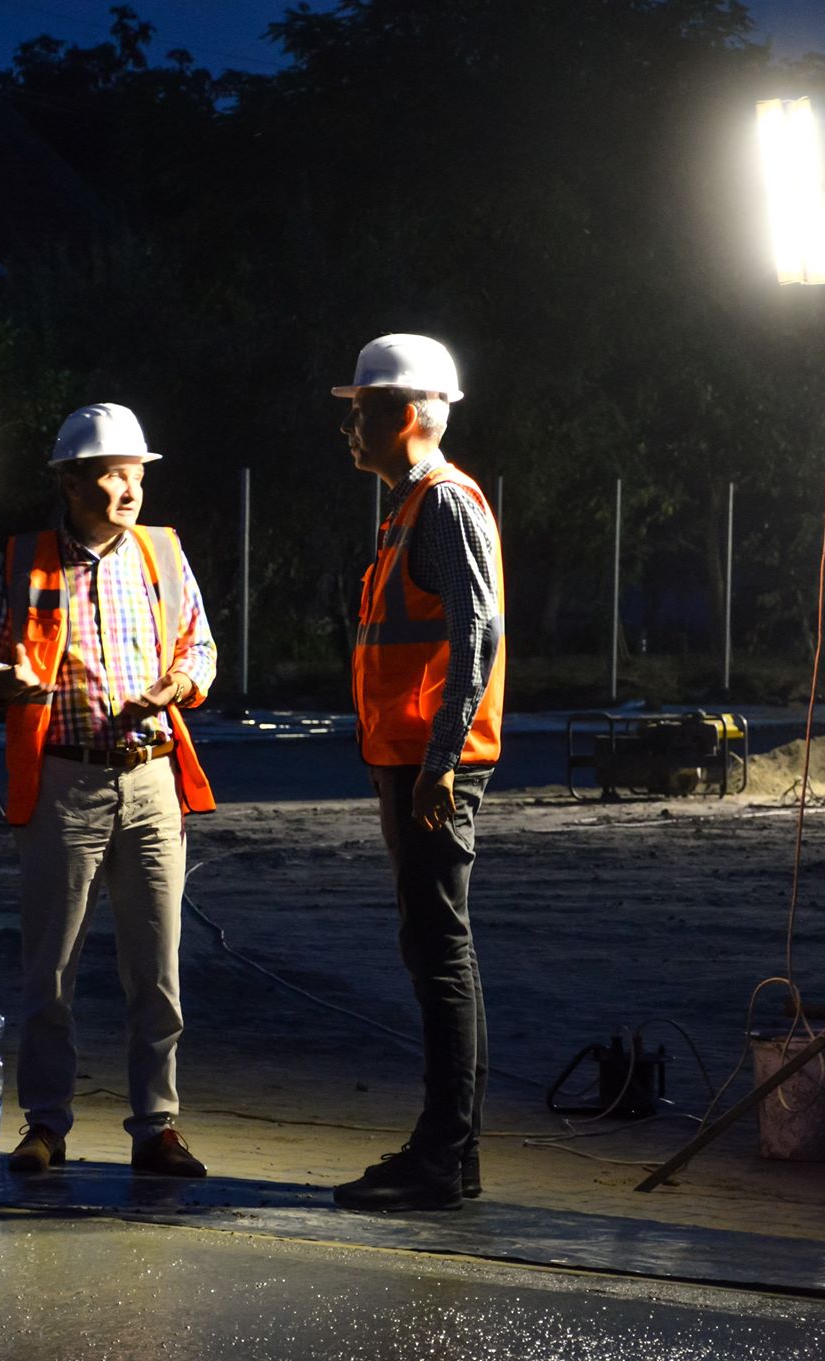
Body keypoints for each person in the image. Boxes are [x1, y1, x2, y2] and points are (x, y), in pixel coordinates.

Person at [0, 401, 218, 1179]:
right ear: (71, 483)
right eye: (112, 473)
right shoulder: (28, 561)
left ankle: (158, 1127)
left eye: (135, 471)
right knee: (51, 968)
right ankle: (46, 1124)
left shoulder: (164, 557)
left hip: (150, 780)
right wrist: (3, 680)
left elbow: (201, 648)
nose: (128, 486)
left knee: (159, 969)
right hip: (66, 785)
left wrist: (177, 682)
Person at [328, 335, 506, 1212]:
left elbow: (479, 632)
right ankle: (451, 1152)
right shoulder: (409, 506)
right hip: (411, 764)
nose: (348, 428)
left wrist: (439, 762)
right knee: (437, 950)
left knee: (441, 954)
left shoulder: (442, 503)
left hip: (434, 769)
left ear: (403, 414)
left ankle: (442, 1155)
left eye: (358, 411)